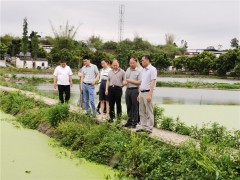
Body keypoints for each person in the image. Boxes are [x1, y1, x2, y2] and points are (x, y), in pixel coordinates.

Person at [136, 55, 157, 134]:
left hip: (148, 92)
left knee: (149, 111)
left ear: (148, 60)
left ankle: (150, 128)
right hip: (142, 92)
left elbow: (153, 82)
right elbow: (142, 82)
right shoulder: (143, 70)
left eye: (143, 60)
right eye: (141, 60)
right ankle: (143, 126)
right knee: (142, 111)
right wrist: (139, 94)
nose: (142, 62)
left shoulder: (152, 69)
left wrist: (150, 94)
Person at [124, 56, 142, 128]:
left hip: (135, 90)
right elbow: (125, 79)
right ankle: (129, 121)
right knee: (128, 106)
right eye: (130, 63)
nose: (131, 64)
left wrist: (130, 81)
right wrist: (125, 82)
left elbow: (140, 82)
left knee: (135, 106)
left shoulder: (139, 71)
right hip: (128, 89)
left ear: (136, 62)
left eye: (133, 63)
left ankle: (134, 122)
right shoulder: (128, 69)